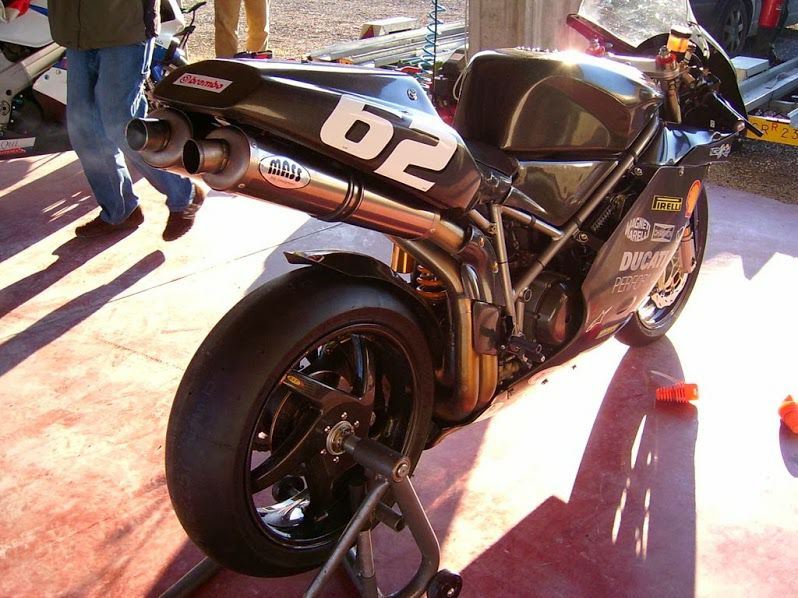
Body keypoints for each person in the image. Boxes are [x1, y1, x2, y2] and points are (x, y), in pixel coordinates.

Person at [47, 0, 205, 241]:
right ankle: (120, 210)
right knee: (84, 129)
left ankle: (184, 195)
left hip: (124, 26)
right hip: (75, 29)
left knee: (121, 123)